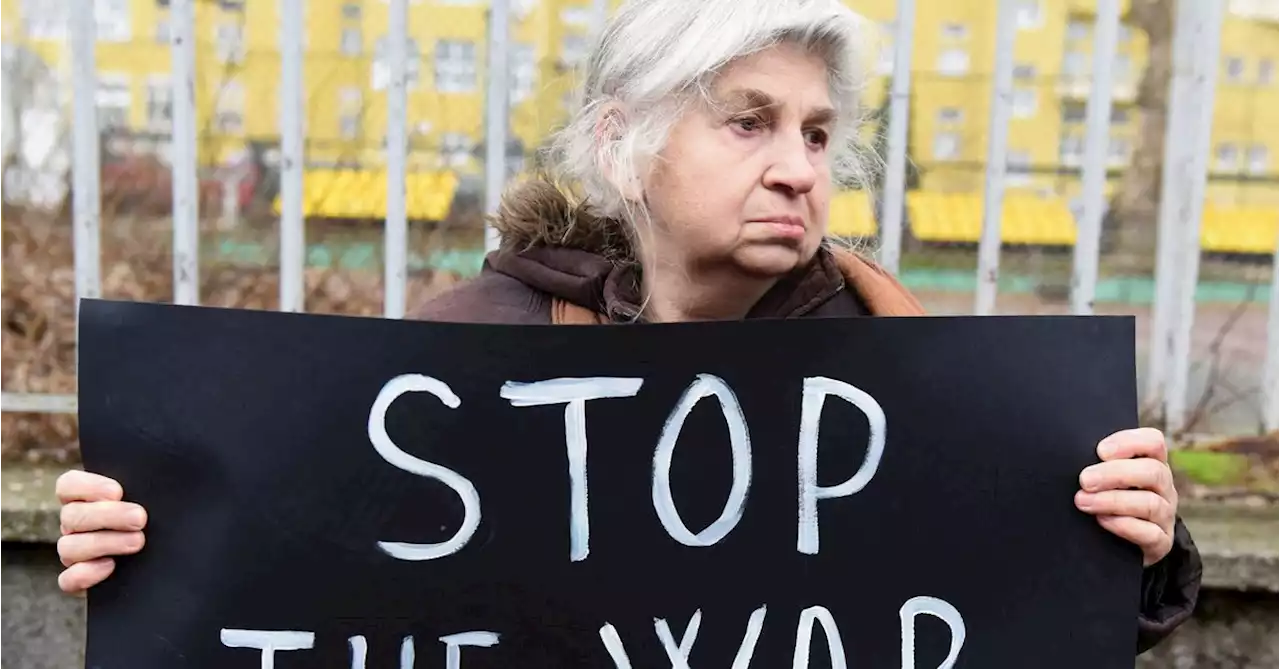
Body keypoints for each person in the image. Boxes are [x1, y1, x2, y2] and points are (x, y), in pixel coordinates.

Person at [53, 0, 1201, 655]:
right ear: (624, 142)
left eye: (812, 134)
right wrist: (153, 547)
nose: (794, 168)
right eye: (745, 122)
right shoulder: (468, 349)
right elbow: (318, 587)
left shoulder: (899, 370)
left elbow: (992, 625)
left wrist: (1133, 553)